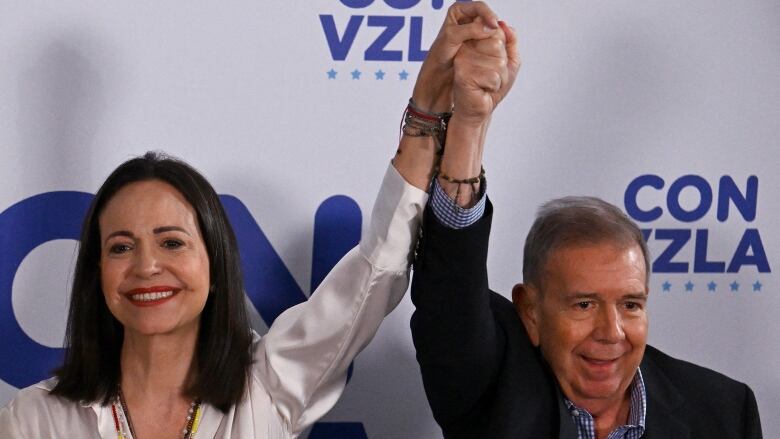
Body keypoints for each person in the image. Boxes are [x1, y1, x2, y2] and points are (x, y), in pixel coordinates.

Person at [0, 2, 511, 438]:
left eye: (172, 242)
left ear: (215, 261)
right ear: (96, 272)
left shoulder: (270, 383)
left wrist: (428, 114)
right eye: (120, 247)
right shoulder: (34, 420)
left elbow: (377, 269)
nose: (147, 266)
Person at [409, 6, 764, 439]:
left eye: (630, 305)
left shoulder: (724, 412)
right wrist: (470, 122)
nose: (611, 333)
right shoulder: (493, 386)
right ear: (531, 312)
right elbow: (449, 292)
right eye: (584, 305)